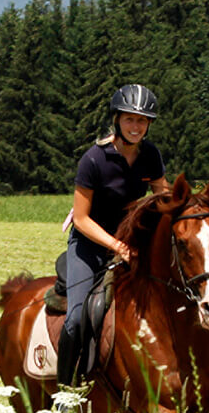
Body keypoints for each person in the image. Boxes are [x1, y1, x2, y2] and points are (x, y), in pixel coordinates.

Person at [56, 84, 170, 386]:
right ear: (117, 119)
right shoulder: (94, 159)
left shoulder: (151, 156)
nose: (136, 126)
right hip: (90, 247)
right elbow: (80, 219)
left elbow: (165, 199)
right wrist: (117, 246)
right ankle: (65, 395)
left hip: (132, 245)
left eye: (142, 120)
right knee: (77, 318)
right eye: (130, 119)